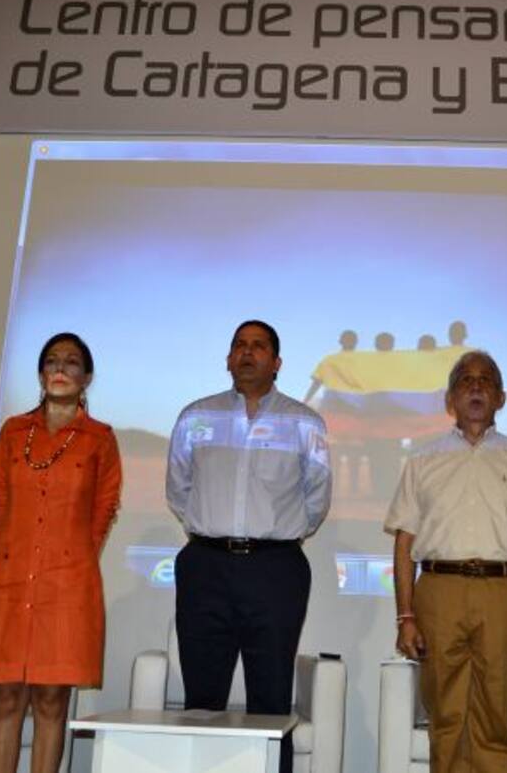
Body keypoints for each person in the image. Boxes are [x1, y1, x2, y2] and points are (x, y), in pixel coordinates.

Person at [385, 350, 507, 772]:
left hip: (503, 592)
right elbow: (404, 543)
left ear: (501, 397)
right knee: (444, 716)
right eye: (465, 380)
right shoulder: (422, 461)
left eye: (487, 380)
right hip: (438, 592)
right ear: (450, 399)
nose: (476, 386)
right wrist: (404, 616)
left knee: (494, 718)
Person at [166, 319, 331, 773]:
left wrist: (274, 534)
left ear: (276, 362)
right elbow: (178, 490)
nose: (247, 352)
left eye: (258, 346)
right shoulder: (196, 417)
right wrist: (213, 532)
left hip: (275, 569)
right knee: (202, 700)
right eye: (239, 344)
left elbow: (316, 498)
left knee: (271, 699)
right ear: (227, 358)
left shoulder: (304, 422)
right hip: (205, 566)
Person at [0, 332, 122, 773]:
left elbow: (103, 507)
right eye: (52, 361)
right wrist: (14, 547)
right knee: (6, 696)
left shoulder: (100, 439)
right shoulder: (13, 431)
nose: (61, 368)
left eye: (72, 362)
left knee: (52, 700)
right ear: (41, 373)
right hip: (9, 581)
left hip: (66, 583)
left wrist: (70, 557)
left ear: (86, 377)